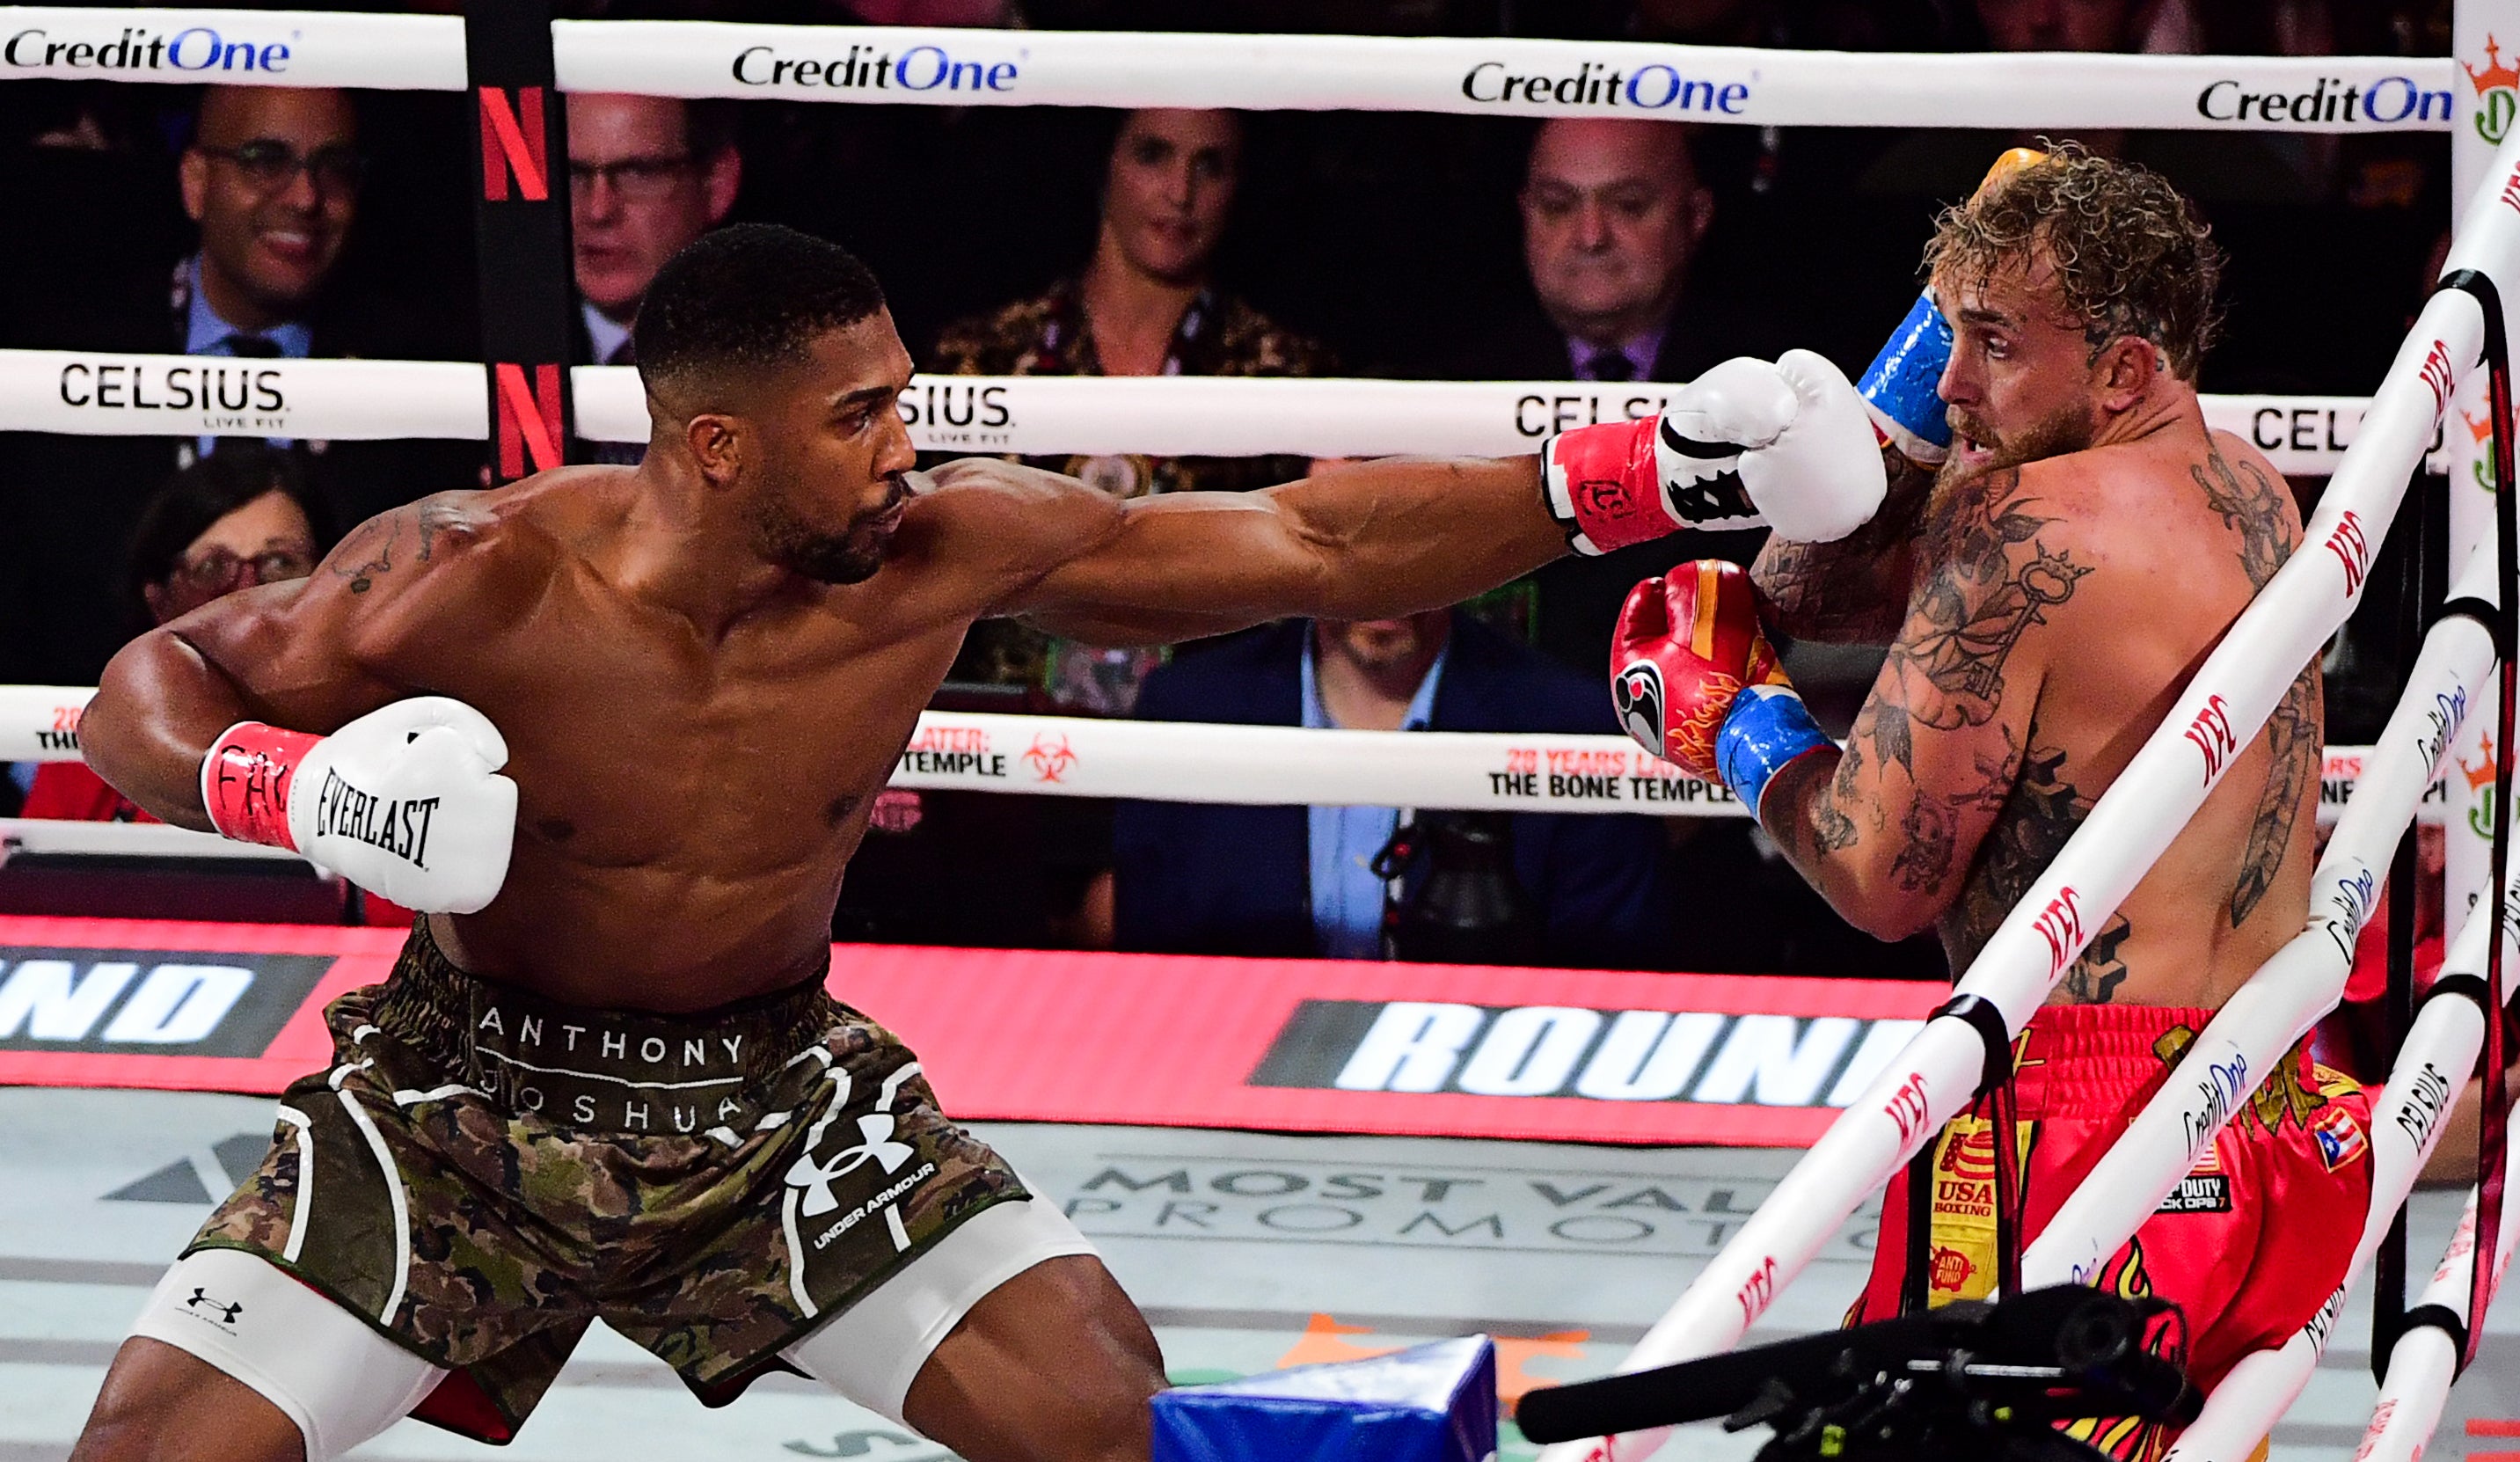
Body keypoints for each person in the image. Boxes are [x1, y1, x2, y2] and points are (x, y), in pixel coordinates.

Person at [66, 223, 1882, 1462]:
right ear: (712, 445)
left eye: (901, 399)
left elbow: (1308, 548)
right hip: (469, 1103)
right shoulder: (476, 574)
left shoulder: (941, 551)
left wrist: (1633, 478)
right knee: (147, 1450)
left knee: (1101, 1409)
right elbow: (155, 680)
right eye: (855, 416)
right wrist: (280, 791)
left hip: (769, 1106)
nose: (902, 446)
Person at [1612, 148, 2369, 1458]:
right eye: (1945, 334)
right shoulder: (2255, 490)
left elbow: (1875, 873)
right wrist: (1930, 371)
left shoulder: (2021, 526)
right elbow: (1805, 587)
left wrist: (1738, 726)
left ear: (2125, 370)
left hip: (2080, 1127)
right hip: (2273, 1115)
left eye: (1994, 342)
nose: (1955, 380)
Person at [0, 84, 478, 690]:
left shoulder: (418, 382)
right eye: (265, 160)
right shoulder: (63, 361)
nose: (306, 197)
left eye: (334, 169)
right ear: (196, 180)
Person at [931, 106, 1333, 708]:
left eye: (1210, 166)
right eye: (1153, 155)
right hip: (1003, 738)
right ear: (1104, 163)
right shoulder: (981, 356)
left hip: (1205, 743)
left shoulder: (1279, 370)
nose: (1180, 193)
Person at [1106, 607, 1669, 968]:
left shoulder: (1572, 721)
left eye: (1411, 544)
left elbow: (1612, 979)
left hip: (1484, 1107)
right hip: (1229, 1088)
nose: (1386, 583)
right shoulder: (1190, 710)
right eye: (1359, 540)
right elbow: (1153, 963)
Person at [13, 444, 328, 822]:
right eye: (214, 566)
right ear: (158, 600)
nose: (248, 590)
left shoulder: (378, 745)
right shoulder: (94, 754)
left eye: (280, 562)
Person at [567, 92, 741, 372]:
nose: (598, 211)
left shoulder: (781, 362)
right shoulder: (485, 352)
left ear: (716, 184)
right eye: (573, 173)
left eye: (638, 173)